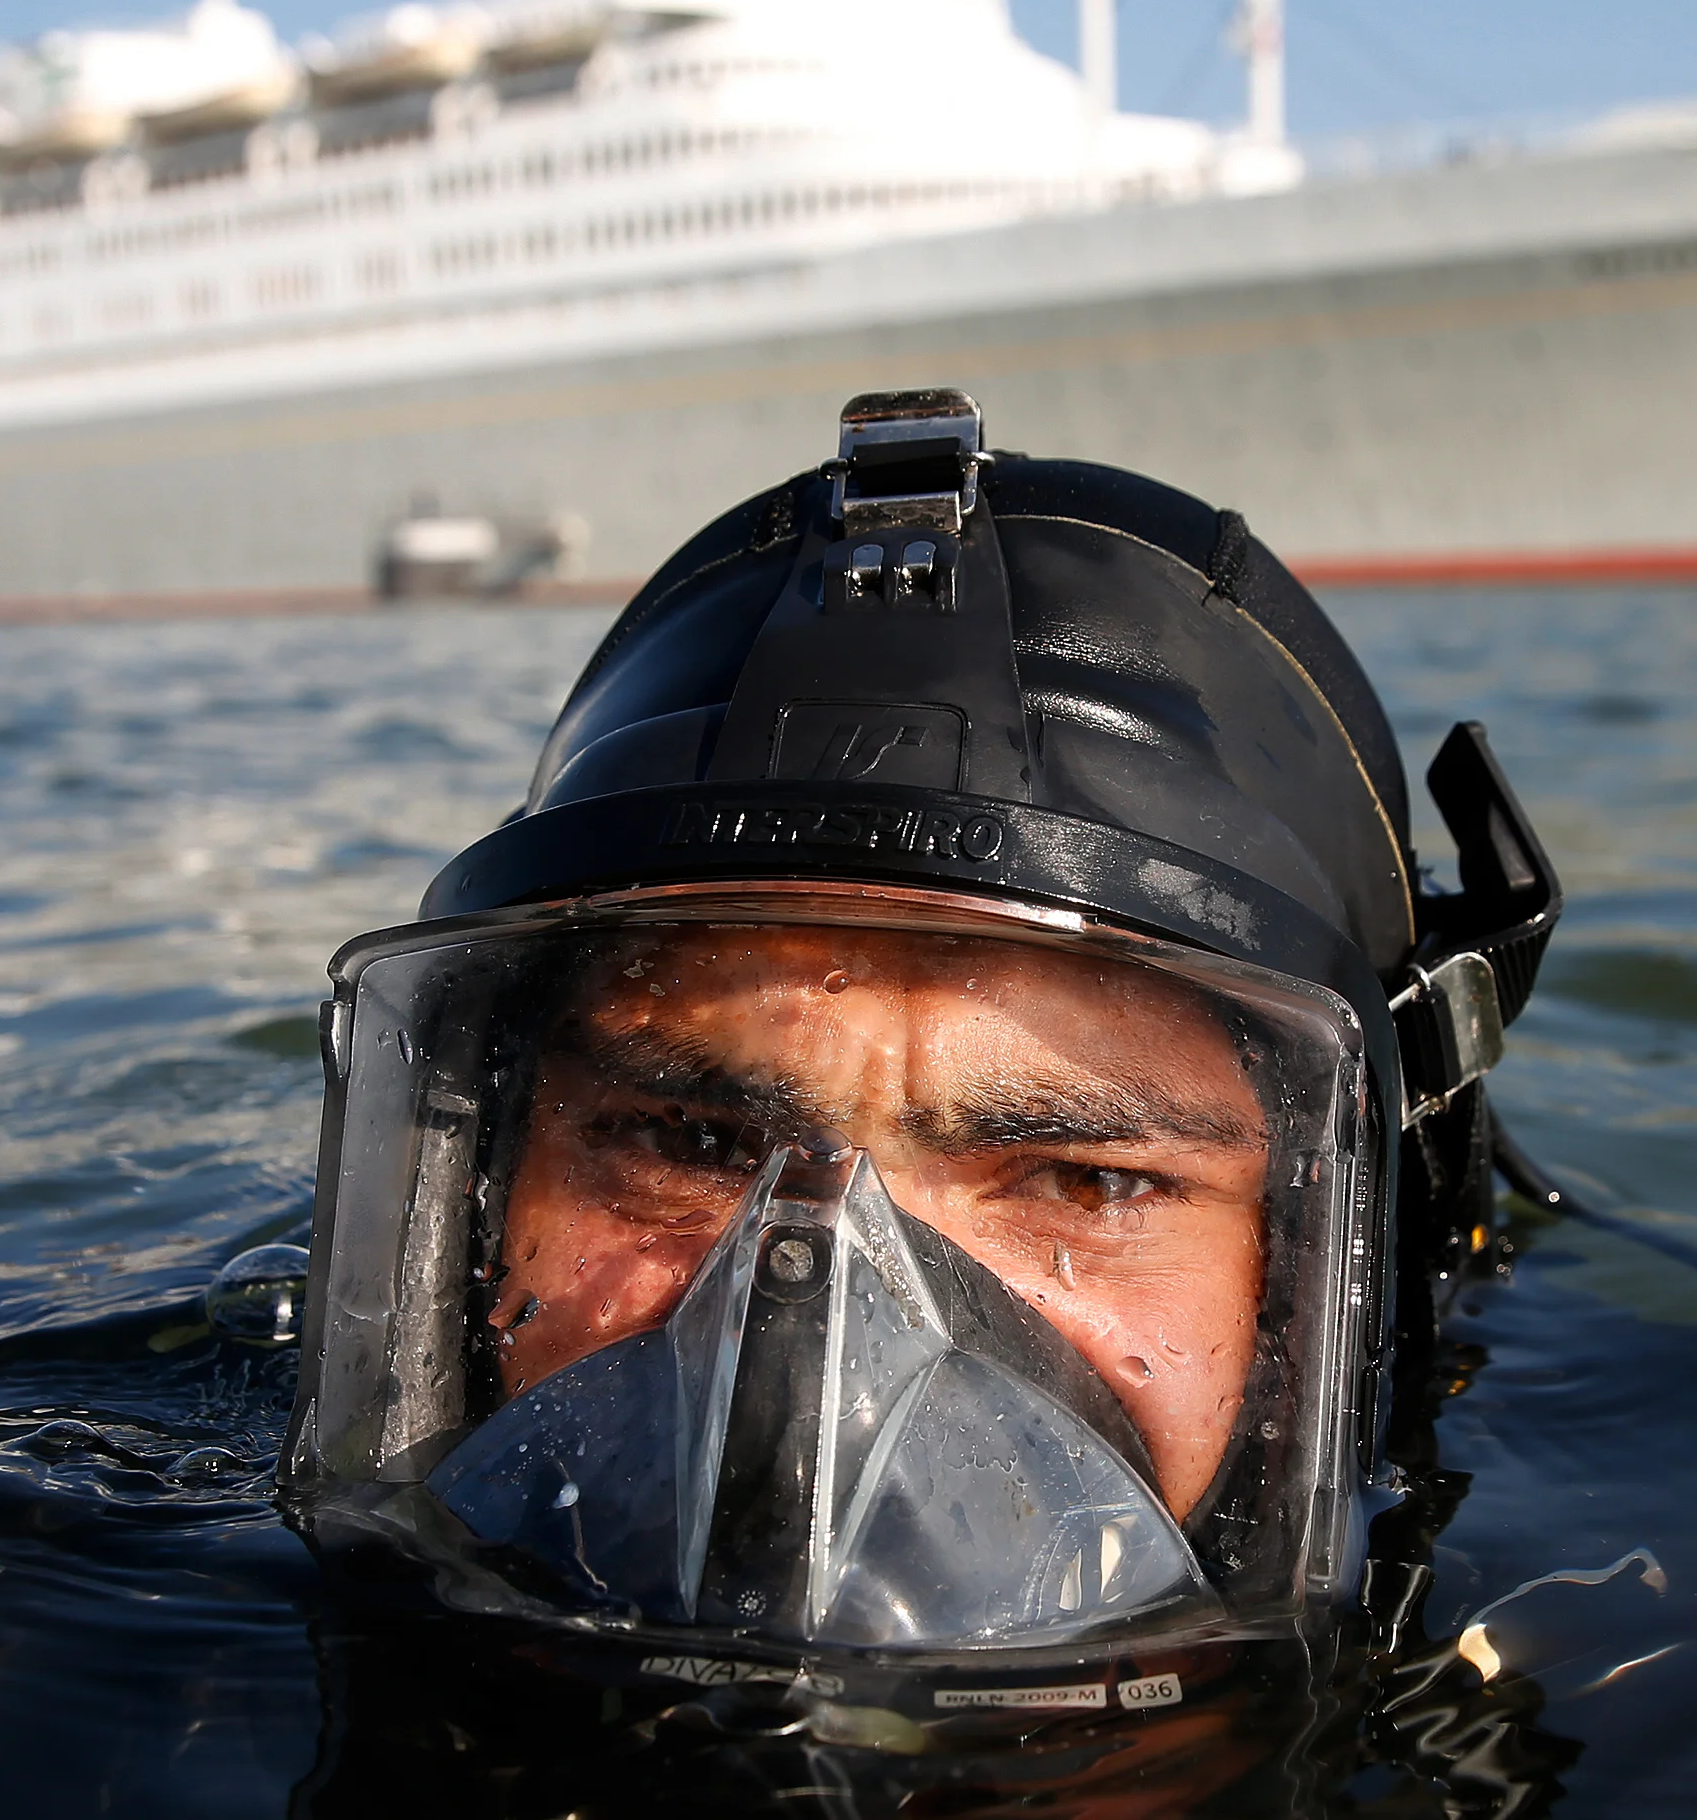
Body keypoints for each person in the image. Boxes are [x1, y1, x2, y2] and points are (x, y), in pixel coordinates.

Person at [280, 389, 1562, 1669]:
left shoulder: (1665, 1629)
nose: (826, 1350)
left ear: (1323, 1265)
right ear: (473, 1201)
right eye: (688, 1138)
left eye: (1090, 1179)